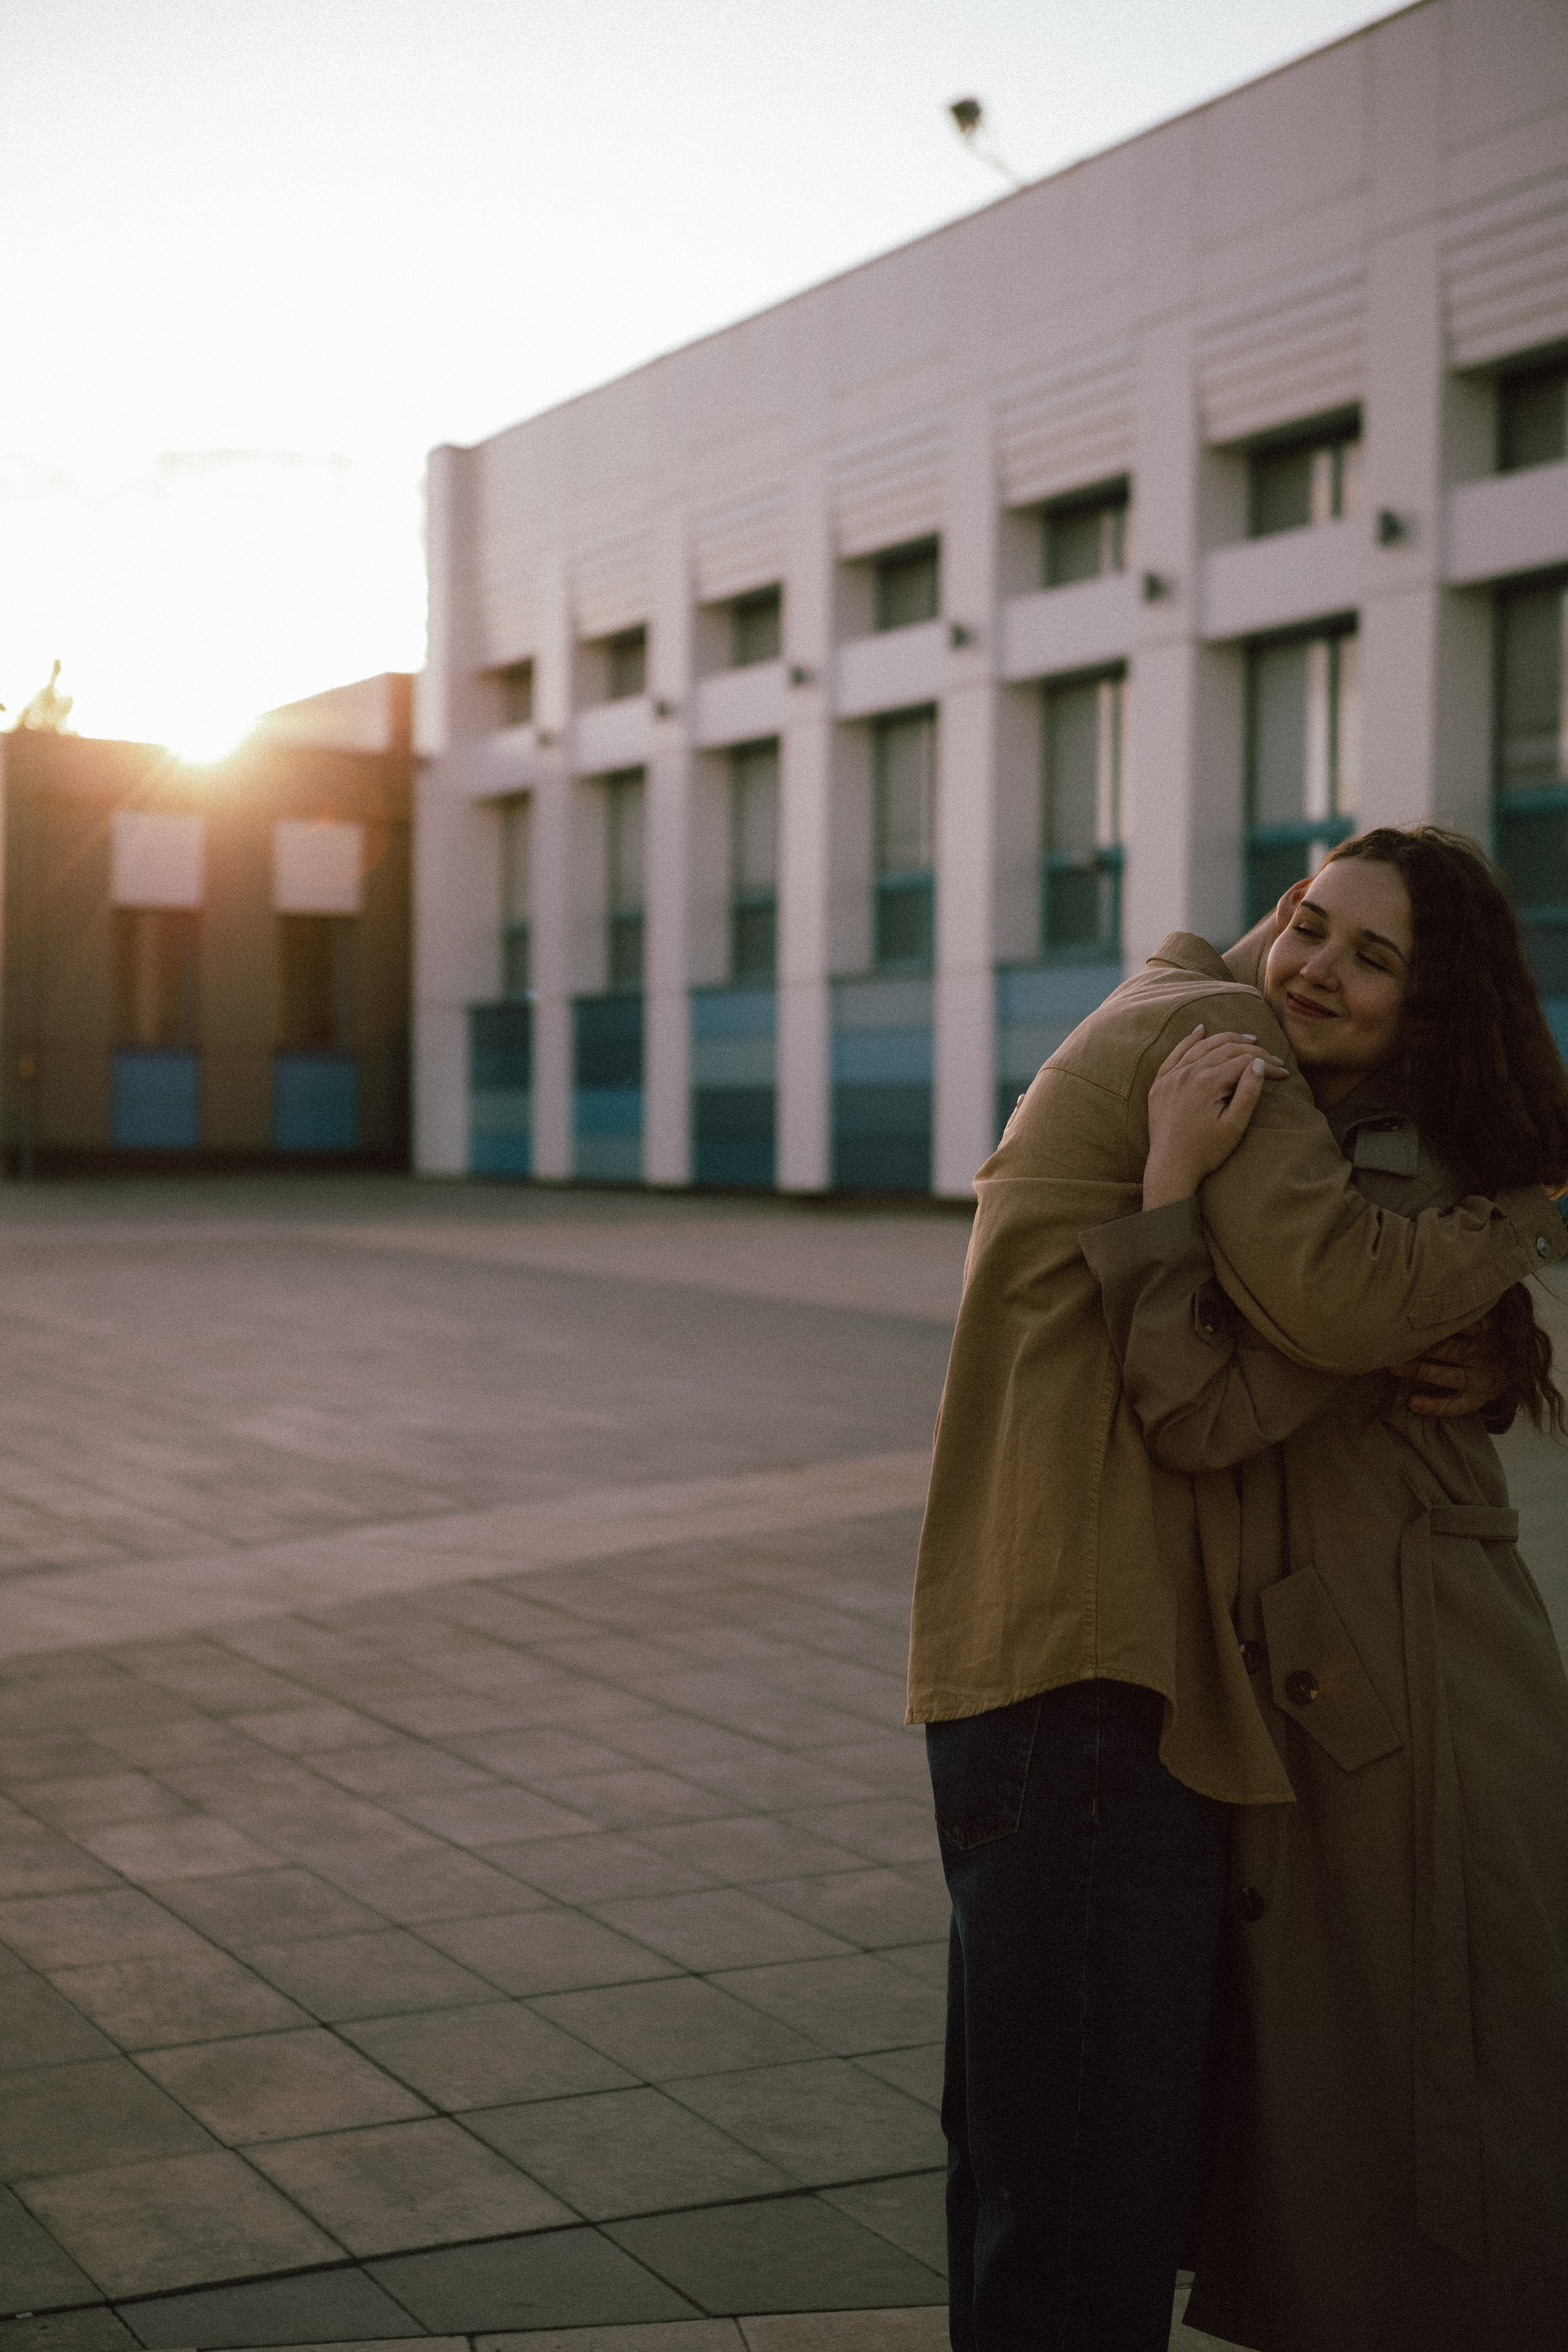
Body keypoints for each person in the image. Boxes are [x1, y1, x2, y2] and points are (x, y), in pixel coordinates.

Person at [907, 850, 1568, 2352]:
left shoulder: (1213, 1039)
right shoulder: (1222, 1039)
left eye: (1372, 957)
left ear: (1433, 1006)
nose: (1316, 966)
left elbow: (1301, 1345)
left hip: (1097, 1660)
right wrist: (1530, 1222)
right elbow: (1308, 1327)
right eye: (1311, 926)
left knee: (1036, 2155)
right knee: (1081, 2178)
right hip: (1105, 1667)